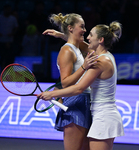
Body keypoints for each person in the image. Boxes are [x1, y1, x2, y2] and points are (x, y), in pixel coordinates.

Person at [39, 21, 124, 150]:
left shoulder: (100, 61)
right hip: (101, 114)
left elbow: (79, 88)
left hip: (104, 116)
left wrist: (51, 94)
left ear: (100, 40)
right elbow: (82, 45)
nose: (88, 37)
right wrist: (64, 35)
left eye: (90, 35)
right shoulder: (106, 56)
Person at [43, 13, 97, 150]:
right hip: (75, 103)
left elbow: (93, 50)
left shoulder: (77, 48)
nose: (85, 30)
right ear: (71, 28)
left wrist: (62, 35)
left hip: (85, 102)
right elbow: (66, 83)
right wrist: (84, 67)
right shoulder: (66, 50)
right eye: (82, 27)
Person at [0, 4, 18, 70]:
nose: (8, 11)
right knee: (2, 56)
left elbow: (16, 27)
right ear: (4, 10)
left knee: (10, 56)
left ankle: (9, 70)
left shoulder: (13, 18)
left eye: (9, 9)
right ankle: (1, 70)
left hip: (9, 40)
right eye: (7, 9)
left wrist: (12, 33)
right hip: (1, 40)